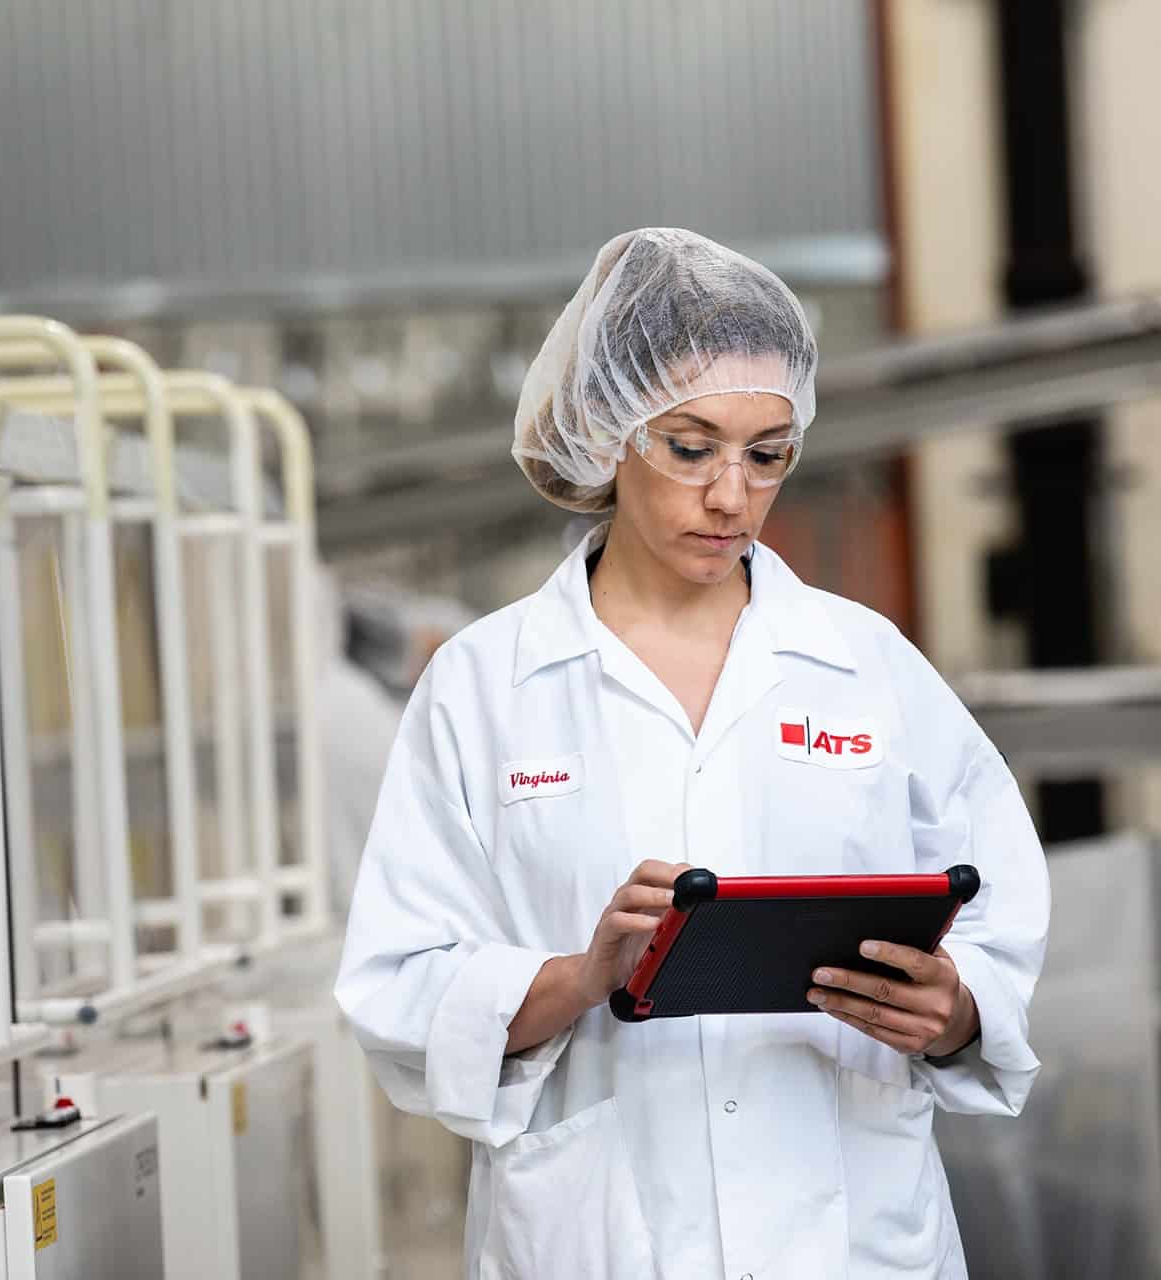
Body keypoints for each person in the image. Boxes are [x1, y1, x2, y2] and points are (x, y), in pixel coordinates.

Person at [335, 228, 1049, 1278]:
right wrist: (580, 976)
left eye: (767, 454)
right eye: (690, 447)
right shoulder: (486, 687)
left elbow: (1001, 912)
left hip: (851, 1239)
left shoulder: (867, 666)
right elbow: (400, 985)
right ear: (609, 430)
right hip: (601, 1240)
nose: (731, 496)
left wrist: (955, 1006)